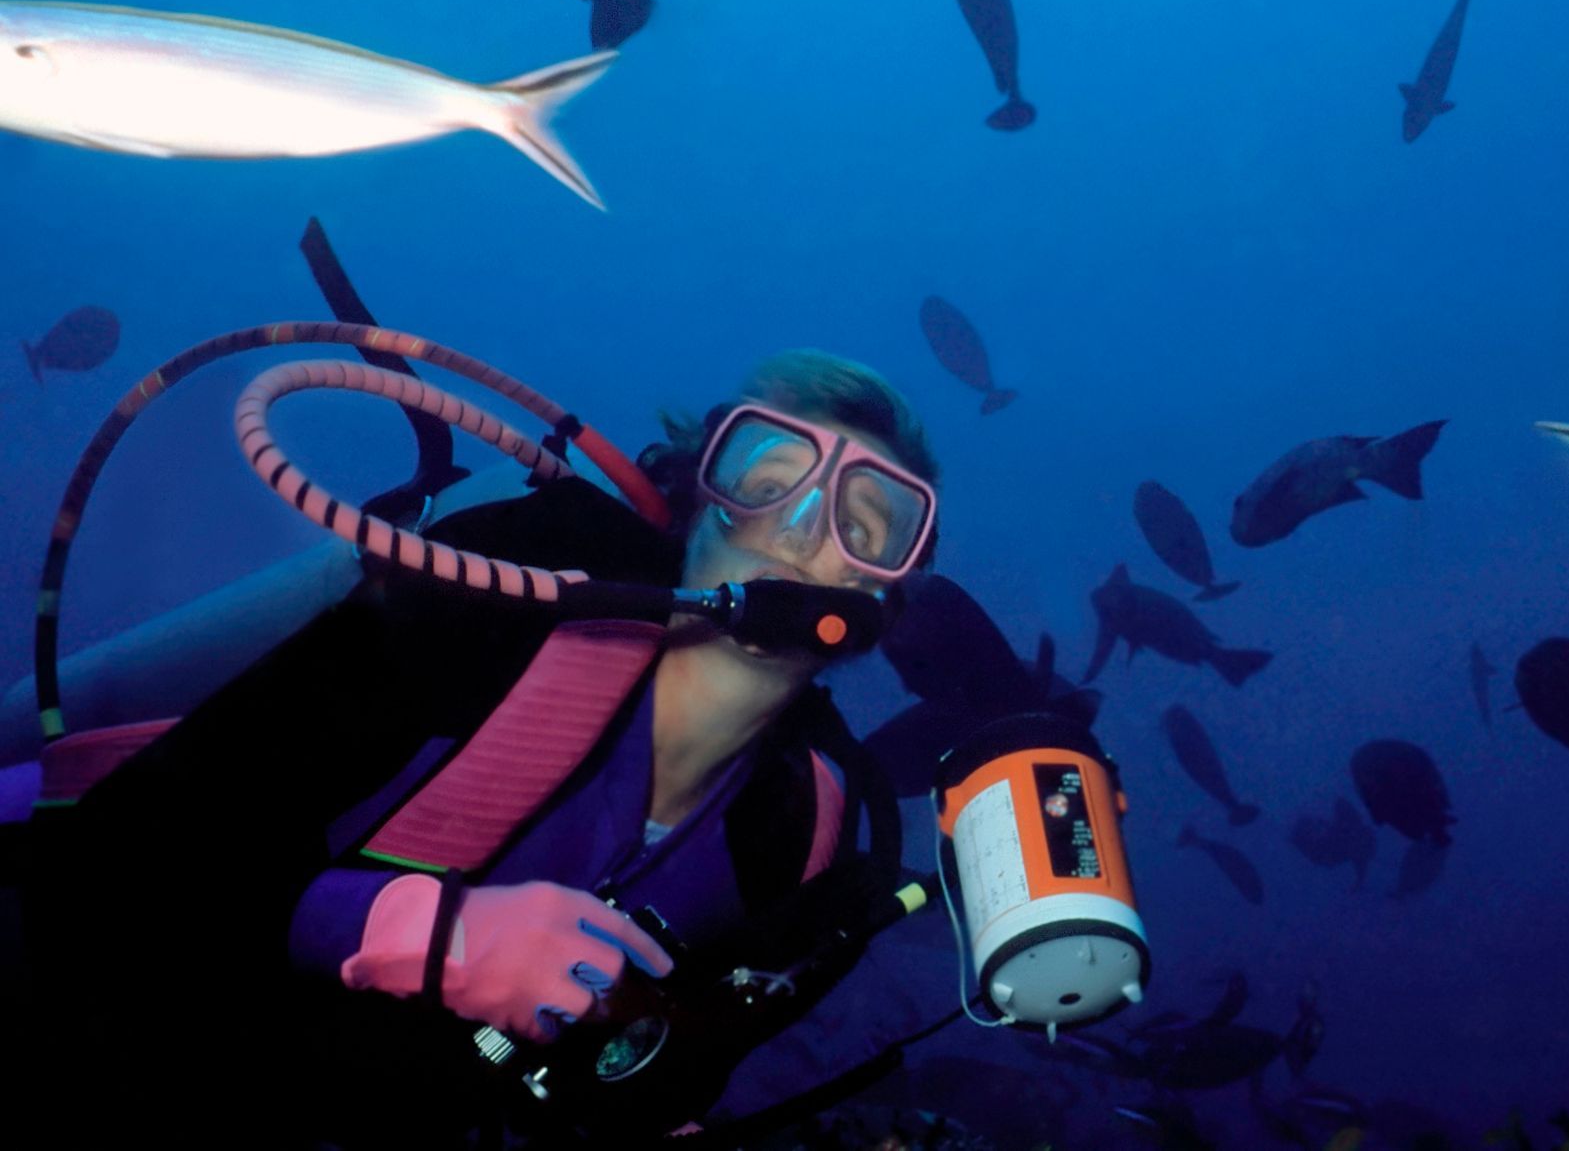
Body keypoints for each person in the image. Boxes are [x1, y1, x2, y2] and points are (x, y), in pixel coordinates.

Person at [21, 348, 941, 1150]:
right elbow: (113, 859)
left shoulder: (800, 830)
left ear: (875, 608)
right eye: (767, 477)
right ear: (699, 503)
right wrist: (397, 927)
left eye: (862, 529)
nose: (799, 526)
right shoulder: (498, 607)